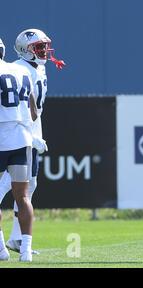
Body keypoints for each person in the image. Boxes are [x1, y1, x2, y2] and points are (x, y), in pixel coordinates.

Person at [0, 29, 65, 255]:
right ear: (24, 50)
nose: (44, 51)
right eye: (38, 47)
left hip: (28, 132)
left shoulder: (39, 67)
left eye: (45, 46)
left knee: (30, 185)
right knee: (9, 185)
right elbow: (26, 109)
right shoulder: (20, 69)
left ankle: (16, 239)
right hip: (18, 134)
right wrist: (33, 135)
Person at [0, 42, 37, 262]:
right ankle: (26, 252)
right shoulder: (22, 70)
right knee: (23, 197)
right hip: (21, 141)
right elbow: (33, 112)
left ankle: (1, 251)